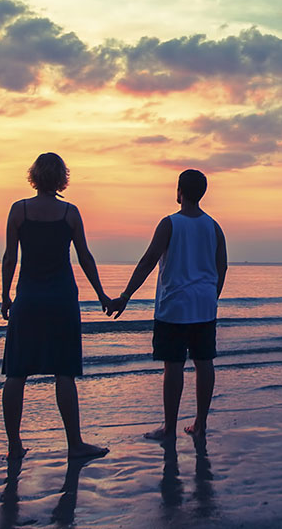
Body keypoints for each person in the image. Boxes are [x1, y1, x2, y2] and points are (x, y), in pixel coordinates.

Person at [1, 152, 111, 460]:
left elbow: (10, 257)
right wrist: (102, 295)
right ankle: (74, 444)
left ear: (34, 176)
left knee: (16, 372)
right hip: (62, 299)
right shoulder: (70, 213)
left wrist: (4, 295)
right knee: (64, 371)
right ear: (62, 177)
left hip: (29, 298)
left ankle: (14, 445)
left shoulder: (19, 211)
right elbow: (85, 257)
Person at [107, 168, 228, 445]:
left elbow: (149, 260)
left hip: (174, 306)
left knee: (173, 366)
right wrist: (213, 295)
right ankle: (200, 423)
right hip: (204, 305)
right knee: (204, 362)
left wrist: (125, 295)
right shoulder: (214, 226)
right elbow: (222, 265)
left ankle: (170, 427)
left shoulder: (170, 223)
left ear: (179, 191)